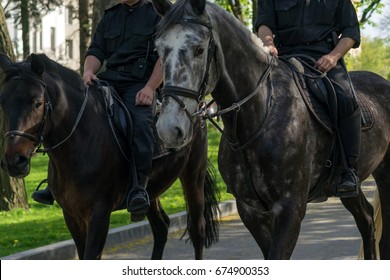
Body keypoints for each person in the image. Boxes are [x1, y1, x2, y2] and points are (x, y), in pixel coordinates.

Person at [32, 0, 163, 221]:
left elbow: (166, 56)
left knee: (140, 126)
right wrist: (88, 72)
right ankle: (54, 185)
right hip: (109, 80)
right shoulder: (110, 15)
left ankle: (139, 188)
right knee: (72, 118)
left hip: (139, 85)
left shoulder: (157, 14)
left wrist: (150, 87)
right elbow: (97, 50)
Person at [255, 0, 361, 197]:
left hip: (323, 58)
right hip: (283, 57)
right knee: (250, 95)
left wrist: (333, 56)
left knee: (346, 99)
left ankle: (348, 170)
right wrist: (269, 43)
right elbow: (264, 24)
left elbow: (350, 33)